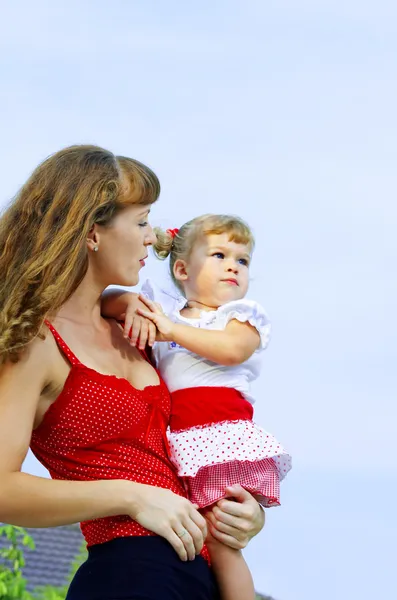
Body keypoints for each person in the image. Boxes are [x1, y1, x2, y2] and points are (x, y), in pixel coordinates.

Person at [0, 146, 265, 600]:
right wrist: (131, 496)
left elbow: (188, 444)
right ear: (92, 231)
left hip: (200, 578)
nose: (151, 238)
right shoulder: (35, 342)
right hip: (129, 574)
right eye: (141, 221)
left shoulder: (134, 331)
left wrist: (245, 512)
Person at [101, 214, 292, 600]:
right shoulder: (163, 311)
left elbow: (232, 350)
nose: (233, 267)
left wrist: (169, 331)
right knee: (192, 536)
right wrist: (132, 304)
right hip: (179, 444)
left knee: (222, 542)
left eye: (243, 260)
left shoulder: (237, 317)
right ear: (182, 268)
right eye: (220, 255)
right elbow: (106, 301)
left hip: (221, 437)